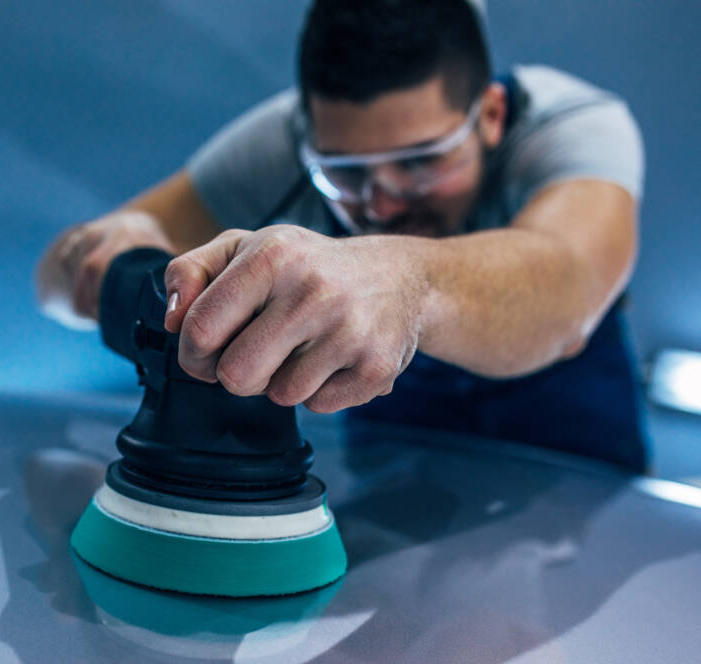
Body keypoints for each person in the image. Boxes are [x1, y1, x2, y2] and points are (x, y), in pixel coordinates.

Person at [37, 0, 648, 471]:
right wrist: (99, 255)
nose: (379, 201)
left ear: (489, 116)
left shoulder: (573, 127)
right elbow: (55, 286)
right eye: (345, 172)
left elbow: (568, 284)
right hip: (401, 483)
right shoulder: (283, 144)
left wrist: (402, 282)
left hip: (580, 478)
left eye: (420, 161)